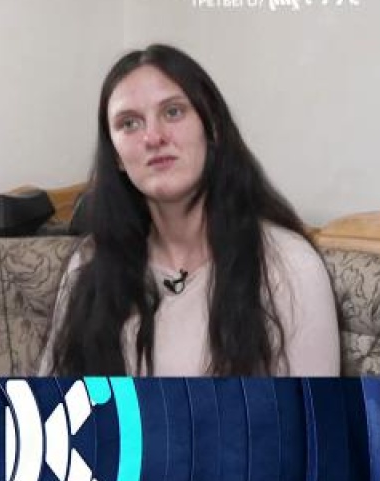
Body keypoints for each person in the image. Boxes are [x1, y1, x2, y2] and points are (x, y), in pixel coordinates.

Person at [39, 44, 340, 376]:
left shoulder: (290, 266)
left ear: (212, 128)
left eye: (173, 112)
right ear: (116, 156)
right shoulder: (89, 263)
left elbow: (311, 409)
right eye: (129, 123)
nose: (153, 137)